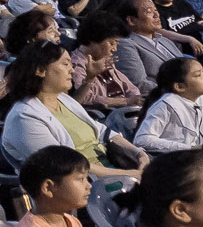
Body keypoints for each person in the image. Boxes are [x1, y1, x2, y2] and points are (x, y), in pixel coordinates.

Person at [3, 39, 143, 176]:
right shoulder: (24, 117)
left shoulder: (64, 100)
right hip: (88, 186)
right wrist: (128, 174)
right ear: (40, 70)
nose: (72, 70)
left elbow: (102, 132)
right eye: (65, 64)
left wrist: (139, 154)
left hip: (114, 171)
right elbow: (66, 166)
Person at [135, 54, 203, 155]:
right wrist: (190, 148)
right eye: (198, 75)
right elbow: (142, 139)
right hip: (174, 160)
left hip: (198, 157)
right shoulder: (167, 104)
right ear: (180, 86)